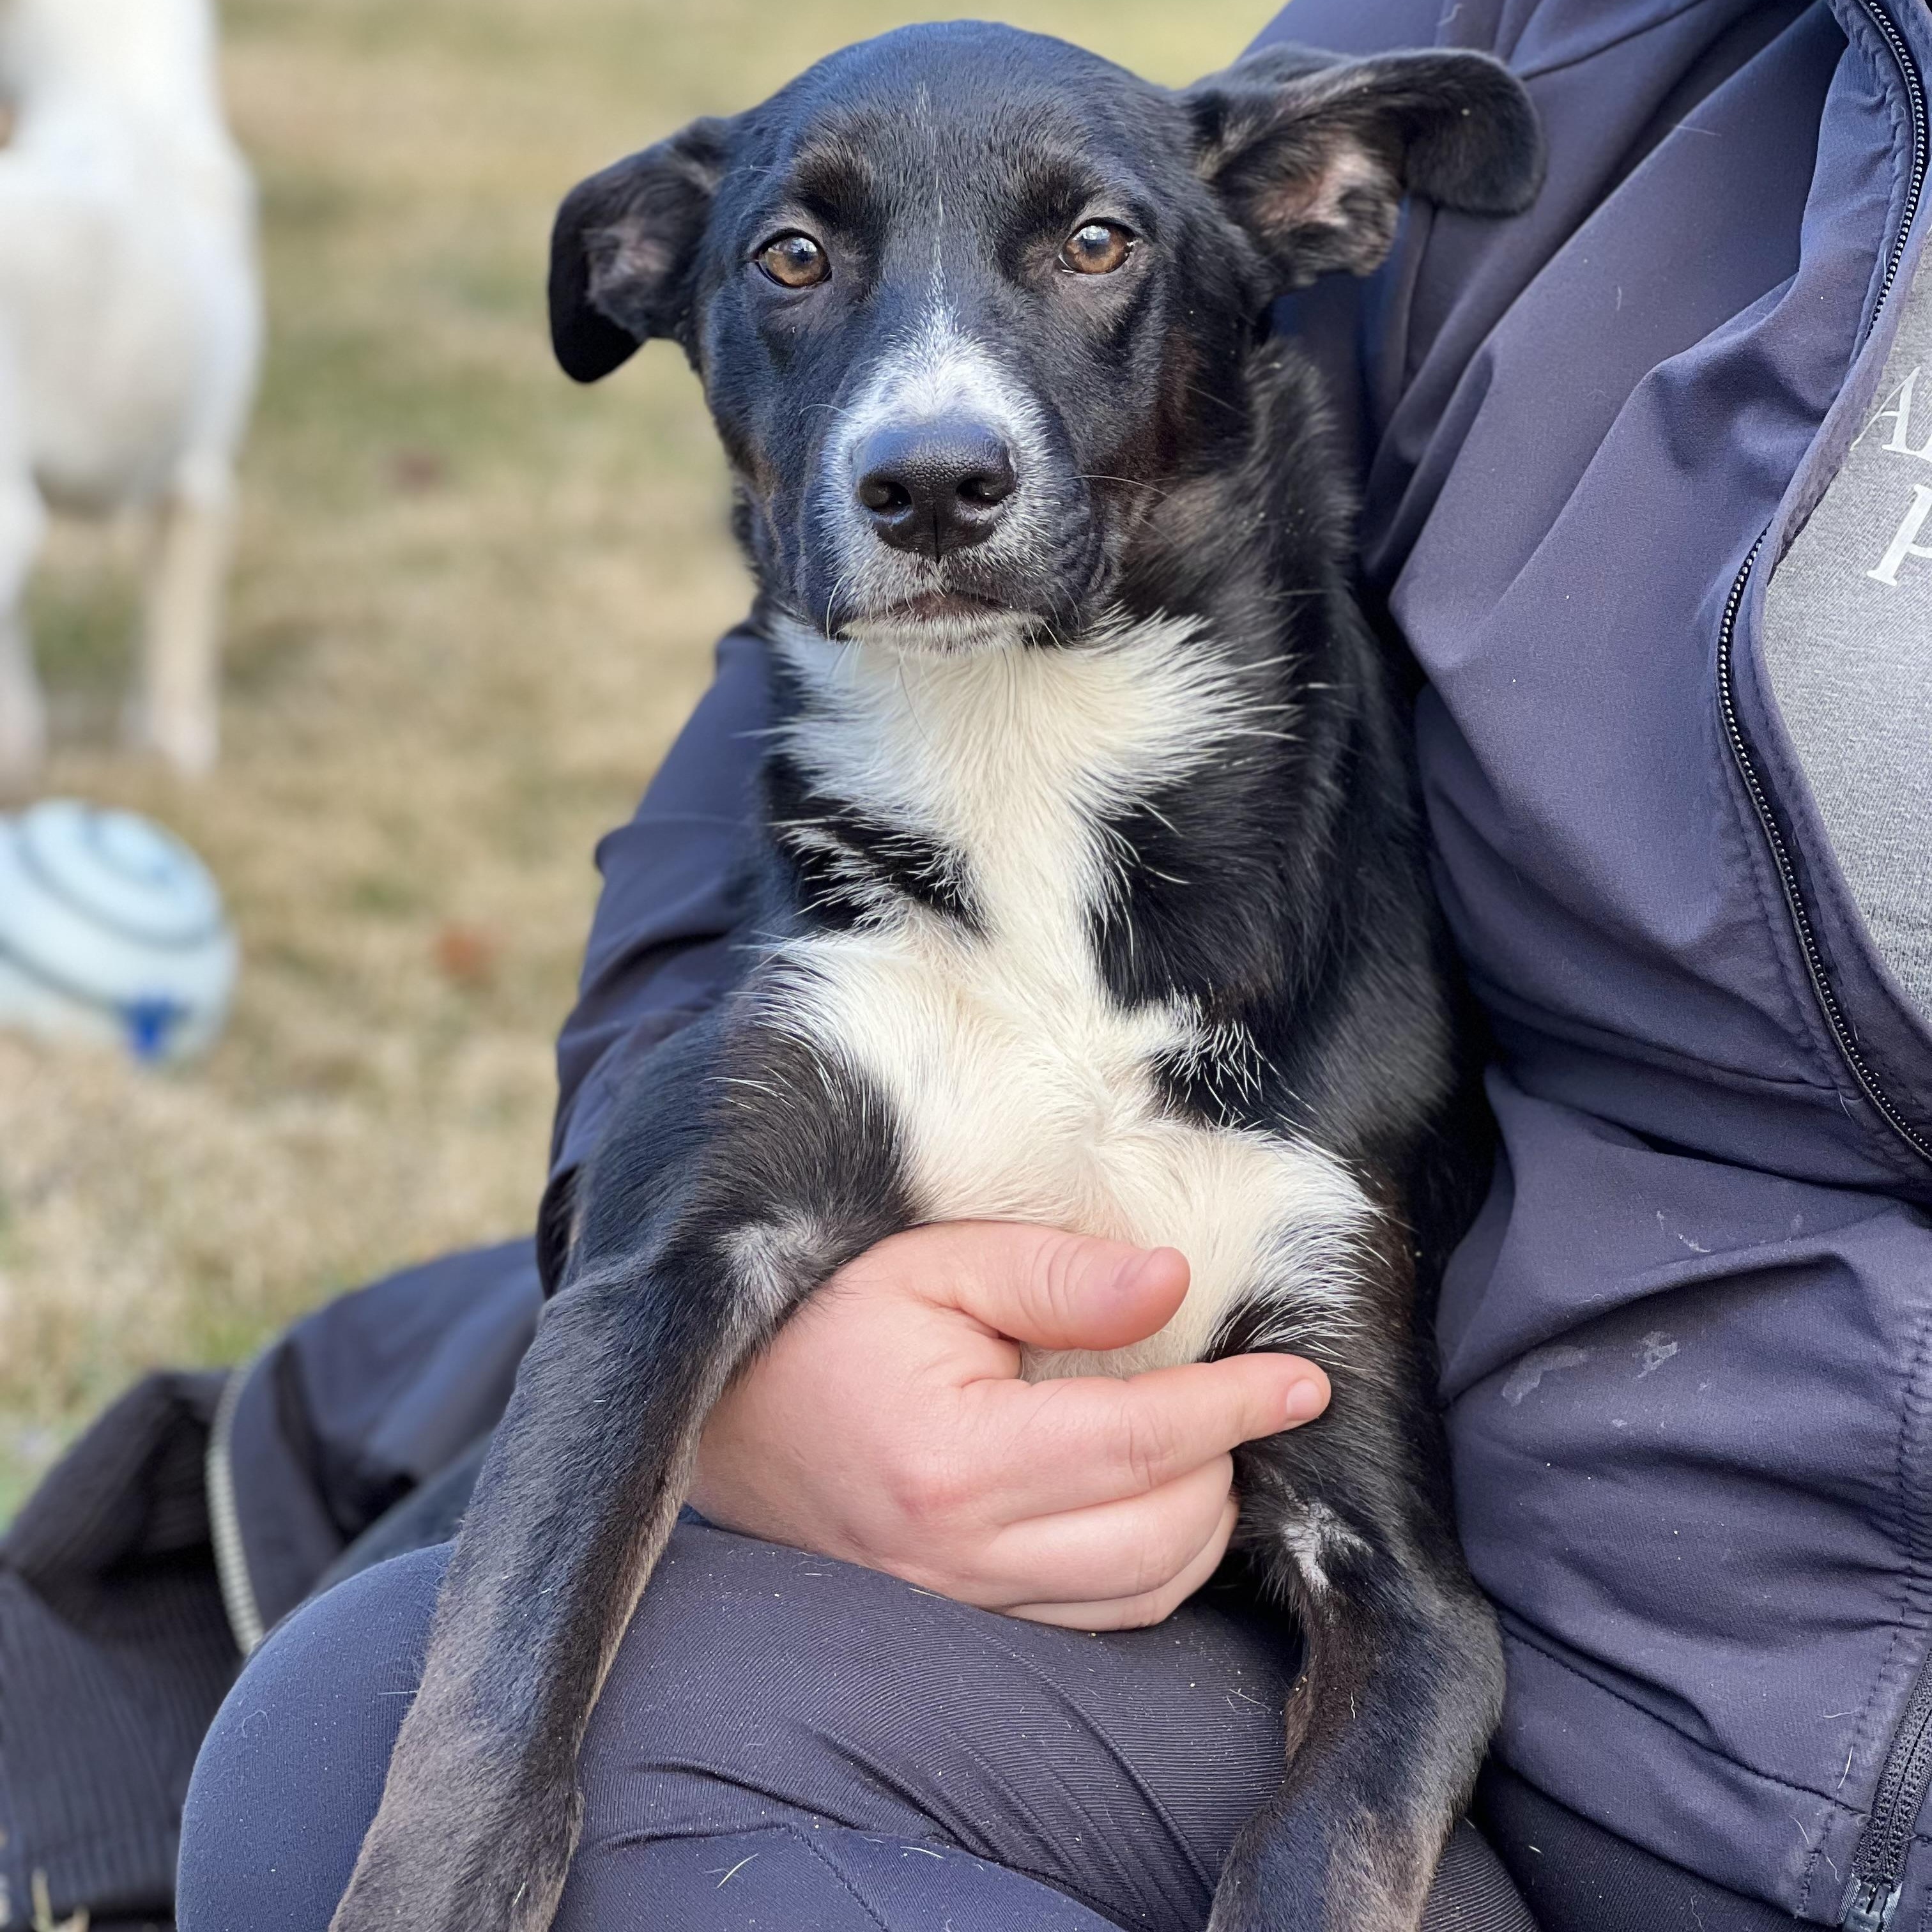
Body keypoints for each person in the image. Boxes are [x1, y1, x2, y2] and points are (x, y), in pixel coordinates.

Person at [176, 0, 1932, 1926]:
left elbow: (1402, 1603)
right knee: (335, 1757)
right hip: (1261, 1700)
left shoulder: (1337, 1067)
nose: (936, 433)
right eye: (797, 259)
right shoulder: (1607, 39)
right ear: (662, 285)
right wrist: (682, 1246)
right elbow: (708, 850)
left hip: (1579, 1711)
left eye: (1089, 244)